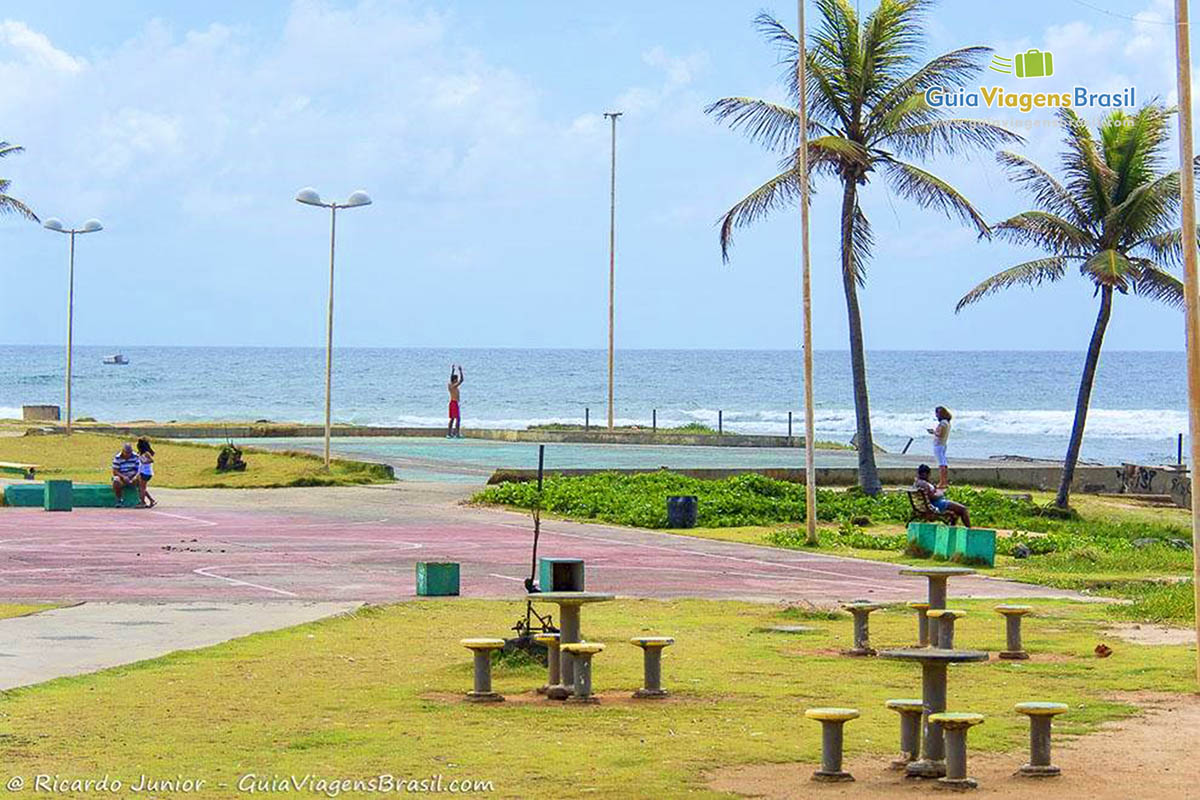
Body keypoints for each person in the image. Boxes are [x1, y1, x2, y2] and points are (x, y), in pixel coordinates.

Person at [927, 406, 953, 488]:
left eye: (937, 413)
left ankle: (942, 482)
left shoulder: (943, 423)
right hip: (943, 444)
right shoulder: (947, 422)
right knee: (943, 463)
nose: (936, 415)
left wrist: (933, 432)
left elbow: (940, 434)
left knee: (941, 464)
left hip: (939, 445)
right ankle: (944, 482)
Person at [111, 443, 141, 507]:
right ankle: (119, 500)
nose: (128, 454)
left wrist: (134, 477)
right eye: (127, 453)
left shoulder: (136, 456)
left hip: (133, 475)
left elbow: (139, 469)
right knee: (116, 480)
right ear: (123, 451)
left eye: (130, 453)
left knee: (141, 478)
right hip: (122, 476)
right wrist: (123, 477)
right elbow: (115, 471)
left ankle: (140, 499)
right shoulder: (117, 458)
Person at [136, 437, 156, 509]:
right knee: (141, 488)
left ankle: (142, 502)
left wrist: (144, 462)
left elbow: (151, 460)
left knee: (142, 488)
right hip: (142, 472)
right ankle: (151, 500)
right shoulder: (140, 453)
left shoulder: (147, 453)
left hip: (146, 473)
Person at [446, 364, 464, 439]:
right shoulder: (453, 386)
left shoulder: (451, 385)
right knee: (456, 419)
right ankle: (455, 434)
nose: (457, 380)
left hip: (454, 403)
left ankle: (451, 433)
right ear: (454, 380)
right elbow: (462, 380)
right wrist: (460, 371)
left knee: (453, 419)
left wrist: (453, 371)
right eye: (456, 379)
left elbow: (452, 378)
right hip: (454, 403)